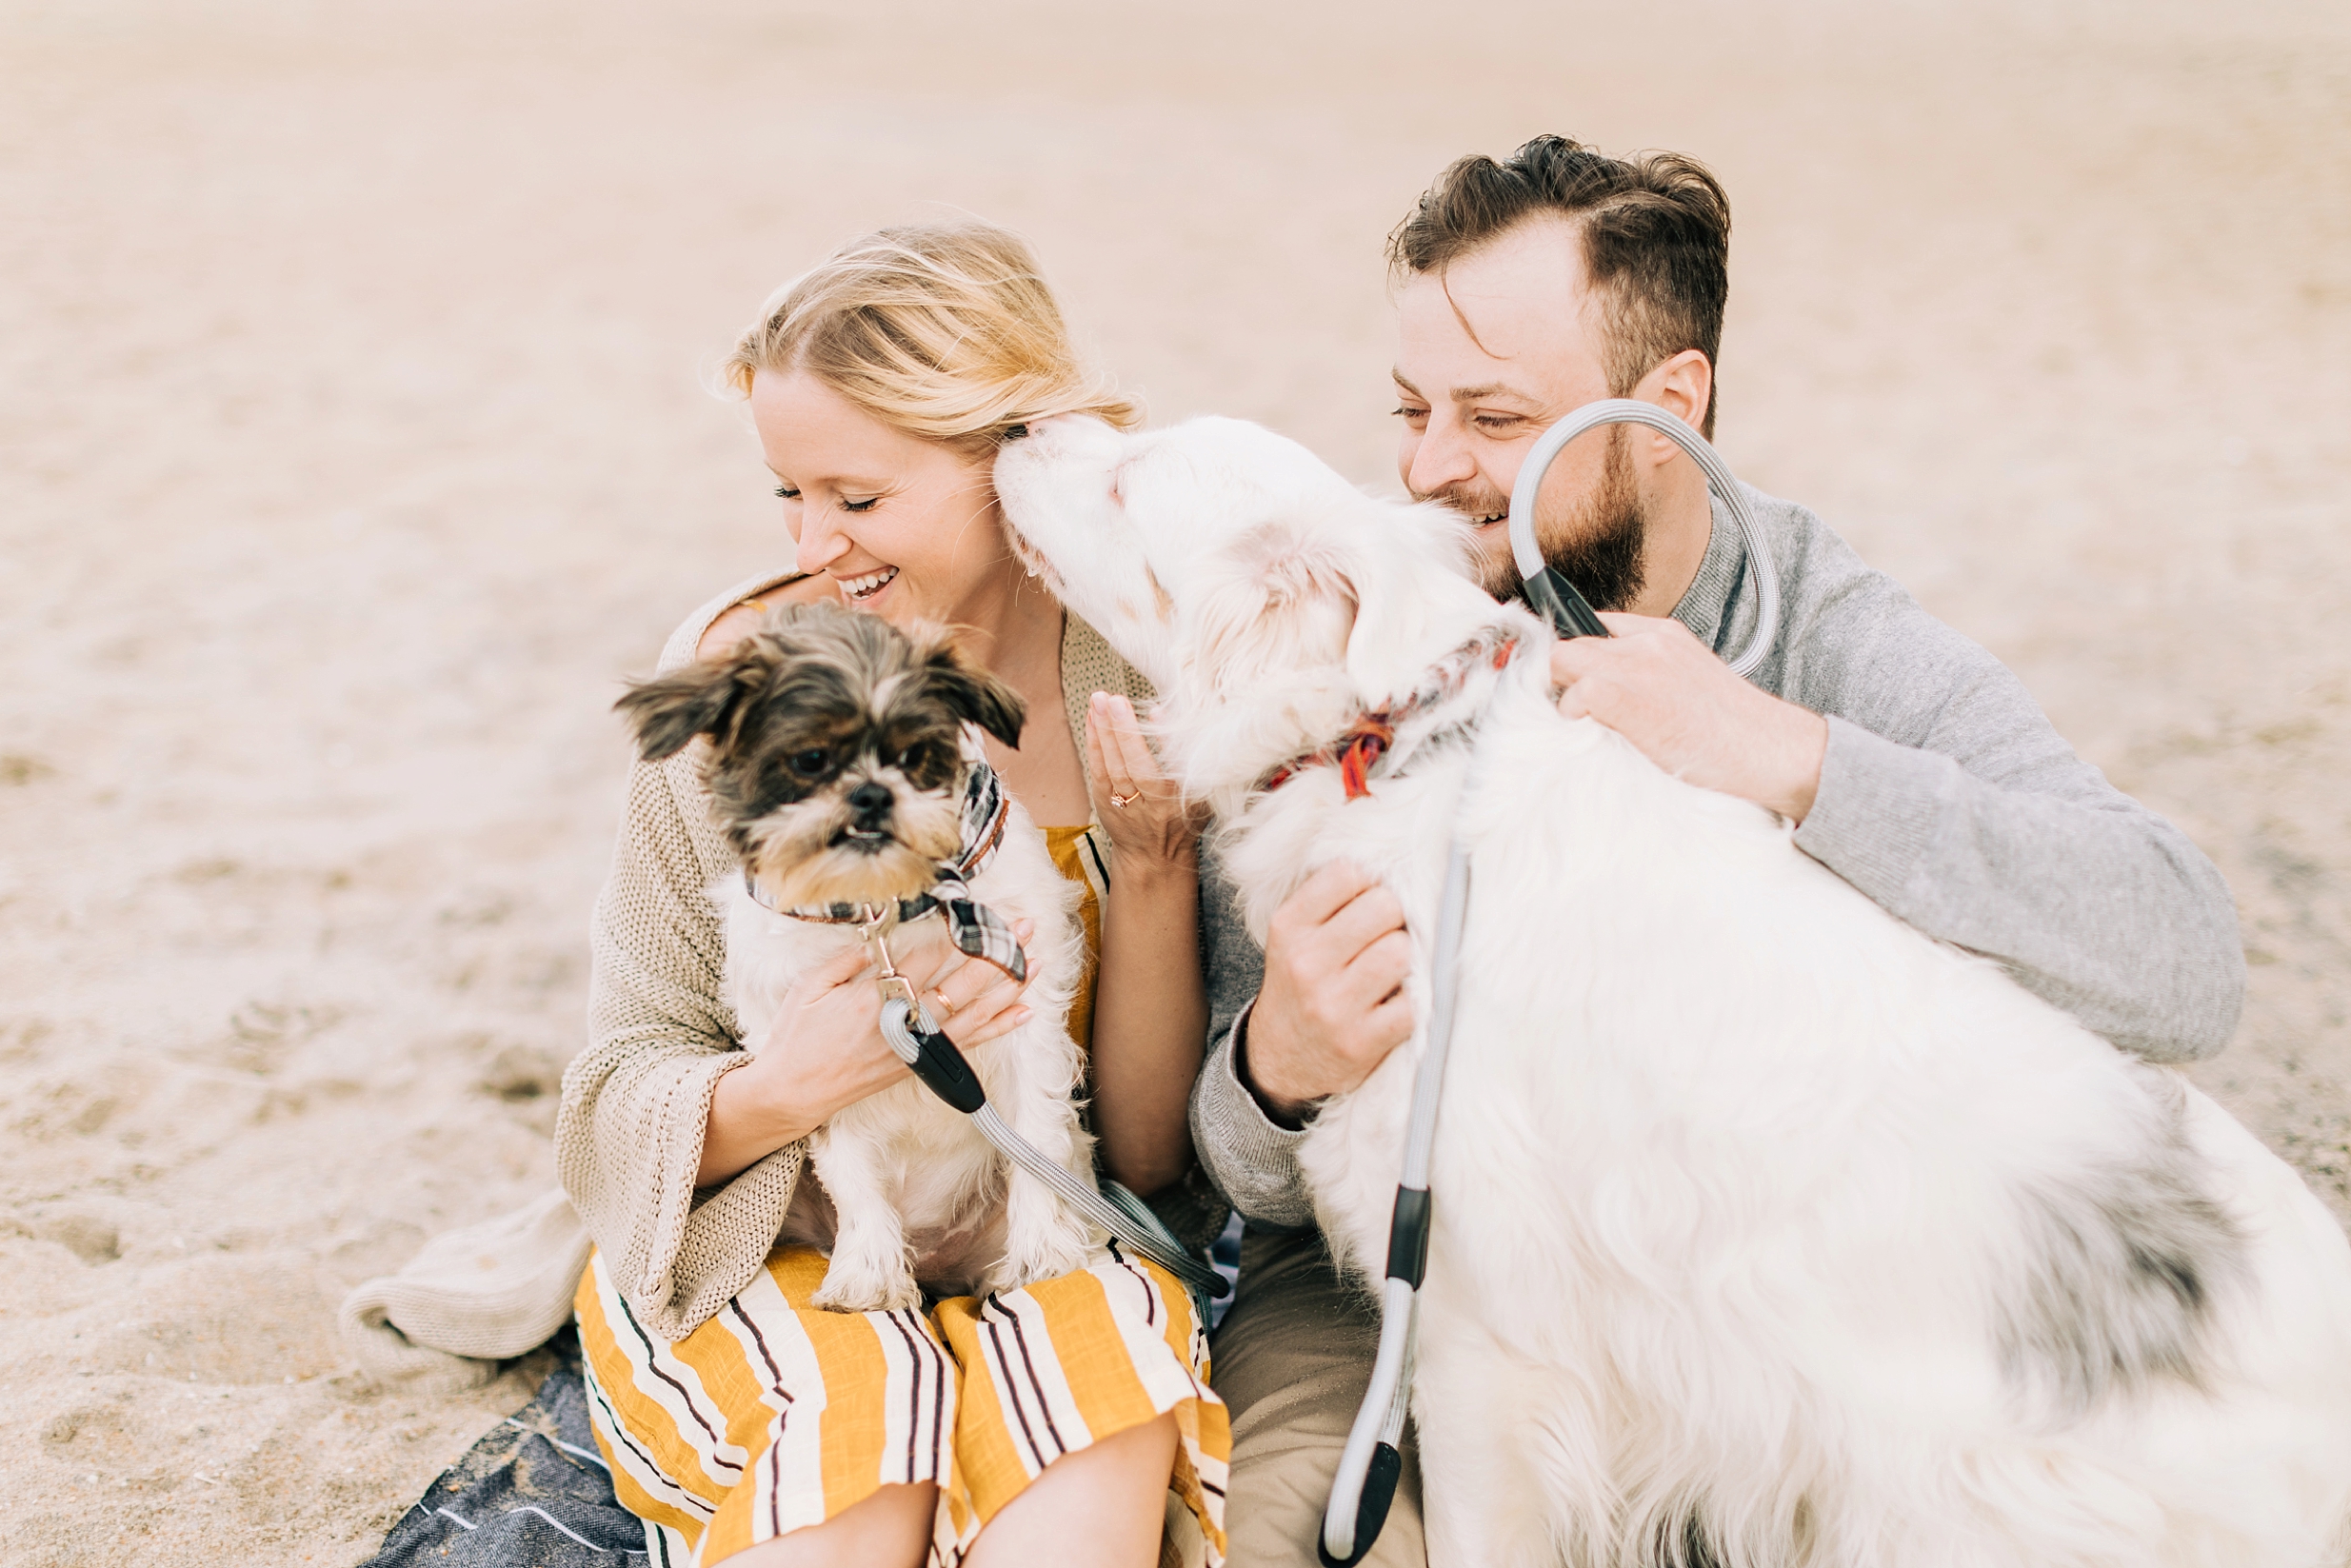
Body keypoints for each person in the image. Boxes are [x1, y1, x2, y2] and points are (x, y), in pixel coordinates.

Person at [1190, 136, 2247, 1566]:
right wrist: (1279, 1066)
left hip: (1735, 1292)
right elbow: (1216, 1170)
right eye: (1409, 407)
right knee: (1298, 1542)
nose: (1430, 470)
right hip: (1387, 1286)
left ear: (1668, 402)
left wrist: (1787, 759)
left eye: (1495, 417)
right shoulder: (1370, 610)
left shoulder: (1827, 635)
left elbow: (2179, 958)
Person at [558, 222, 1241, 1568]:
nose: (817, 545)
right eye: (787, 496)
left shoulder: (1156, 673)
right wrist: (791, 1084)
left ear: (1013, 457)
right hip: (782, 1224)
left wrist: (1153, 871)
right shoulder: (733, 690)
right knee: (855, 1447)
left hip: (1040, 1205)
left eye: (857, 500)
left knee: (1090, 1430)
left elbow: (1153, 1166)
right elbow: (613, 1097)